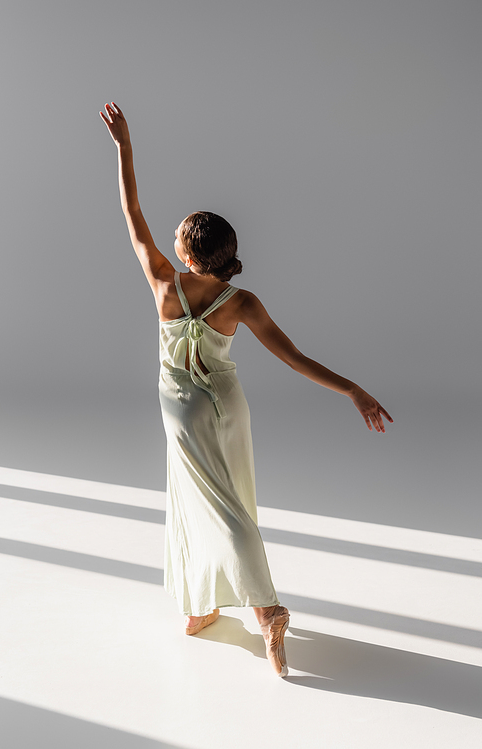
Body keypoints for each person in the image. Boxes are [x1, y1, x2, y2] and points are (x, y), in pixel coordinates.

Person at [99, 102, 393, 678]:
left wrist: (124, 148)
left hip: (183, 414)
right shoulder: (242, 302)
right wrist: (351, 389)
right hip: (230, 407)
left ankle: (266, 609)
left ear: (184, 255)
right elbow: (296, 359)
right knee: (228, 500)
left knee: (217, 507)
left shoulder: (162, 280)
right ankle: (205, 601)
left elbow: (132, 212)